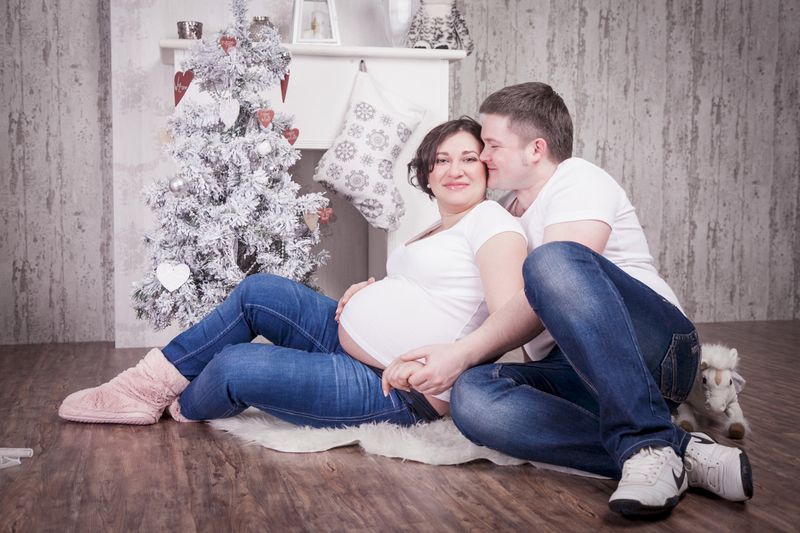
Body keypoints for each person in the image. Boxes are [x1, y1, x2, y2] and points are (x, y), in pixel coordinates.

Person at [381, 83, 753, 516]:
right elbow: (492, 303)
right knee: (473, 396)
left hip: (655, 351)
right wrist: (378, 290)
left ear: (536, 149)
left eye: (492, 145)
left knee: (551, 261)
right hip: (576, 368)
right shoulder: (504, 210)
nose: (483, 155)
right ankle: (681, 452)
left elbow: (552, 290)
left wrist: (462, 352)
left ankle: (647, 442)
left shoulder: (578, 179)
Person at [58, 117, 528, 429]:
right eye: (442, 160)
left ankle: (183, 405)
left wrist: (448, 364)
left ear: (487, 169)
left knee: (236, 366)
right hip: (347, 338)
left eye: (469, 158)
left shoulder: (491, 222)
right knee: (258, 290)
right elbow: (435, 292)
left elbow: (510, 322)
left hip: (396, 387)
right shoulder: (437, 227)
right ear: (426, 173)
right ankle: (143, 388)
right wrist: (374, 290)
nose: (454, 170)